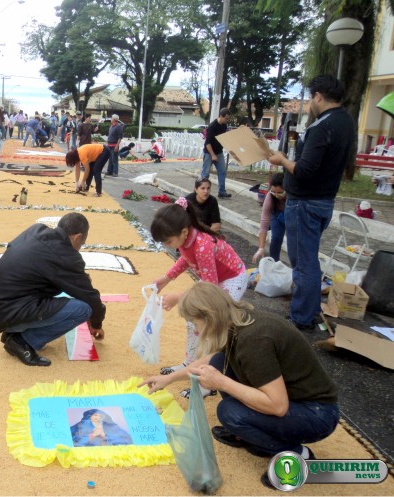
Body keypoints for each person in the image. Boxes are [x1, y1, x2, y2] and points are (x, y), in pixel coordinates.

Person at [140, 282, 339, 488]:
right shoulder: (236, 319)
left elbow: (278, 406)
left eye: (195, 323)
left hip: (317, 414)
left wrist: (221, 383)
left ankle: (299, 456)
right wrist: (168, 378)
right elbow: (209, 361)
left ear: (209, 318)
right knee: (219, 362)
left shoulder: (254, 341)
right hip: (297, 400)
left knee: (230, 413)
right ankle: (251, 435)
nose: (196, 331)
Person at [268, 75, 355, 332]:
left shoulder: (322, 126)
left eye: (310, 98)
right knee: (309, 260)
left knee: (303, 263)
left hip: (305, 204)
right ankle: (312, 310)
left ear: (318, 95)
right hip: (323, 200)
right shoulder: (346, 122)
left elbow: (304, 170)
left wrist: (283, 160)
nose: (309, 105)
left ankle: (301, 318)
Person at [0, 212, 106, 366]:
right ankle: (22, 341)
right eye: (82, 244)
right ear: (77, 237)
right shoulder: (65, 255)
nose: (79, 248)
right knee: (83, 309)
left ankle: (14, 330)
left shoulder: (35, 230)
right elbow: (88, 296)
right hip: (8, 310)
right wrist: (96, 323)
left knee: (66, 287)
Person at [150, 198, 247, 398]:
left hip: (232, 280)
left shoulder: (202, 245)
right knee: (193, 319)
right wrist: (166, 279)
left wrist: (178, 296)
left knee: (213, 328)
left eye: (168, 241)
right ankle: (189, 363)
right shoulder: (187, 239)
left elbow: (208, 290)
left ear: (183, 232)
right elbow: (186, 258)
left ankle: (208, 381)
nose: (168, 246)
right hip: (215, 282)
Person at [252, 173, 286, 263]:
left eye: (280, 192)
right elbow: (264, 222)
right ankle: (273, 263)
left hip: (292, 216)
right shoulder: (269, 197)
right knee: (276, 239)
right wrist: (261, 248)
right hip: (277, 214)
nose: (276, 195)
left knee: (294, 243)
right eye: (273, 192)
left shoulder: (294, 196)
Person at [202, 107, 232, 199]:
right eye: (226, 118)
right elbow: (207, 143)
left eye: (228, 119)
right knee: (205, 173)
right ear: (221, 116)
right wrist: (213, 155)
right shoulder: (212, 126)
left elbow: (222, 138)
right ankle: (202, 191)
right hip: (209, 153)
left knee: (222, 171)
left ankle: (222, 191)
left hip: (219, 152)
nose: (227, 120)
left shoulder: (224, 126)